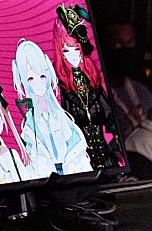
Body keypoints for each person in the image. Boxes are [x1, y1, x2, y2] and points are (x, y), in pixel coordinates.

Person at [51, 9, 122, 170]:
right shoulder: (62, 89)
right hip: (81, 161)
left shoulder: (93, 83)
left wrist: (117, 144)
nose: (72, 55)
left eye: (76, 49)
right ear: (61, 54)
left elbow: (110, 118)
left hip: (106, 157)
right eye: (66, 50)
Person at [11, 39, 92, 176]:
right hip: (47, 179)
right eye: (31, 79)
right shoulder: (30, 124)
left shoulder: (60, 115)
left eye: (42, 76)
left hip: (72, 173)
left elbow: (75, 147)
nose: (38, 82)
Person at [102, 22, 152, 178]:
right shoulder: (98, 98)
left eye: (130, 43)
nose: (125, 50)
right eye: (118, 44)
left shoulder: (141, 91)